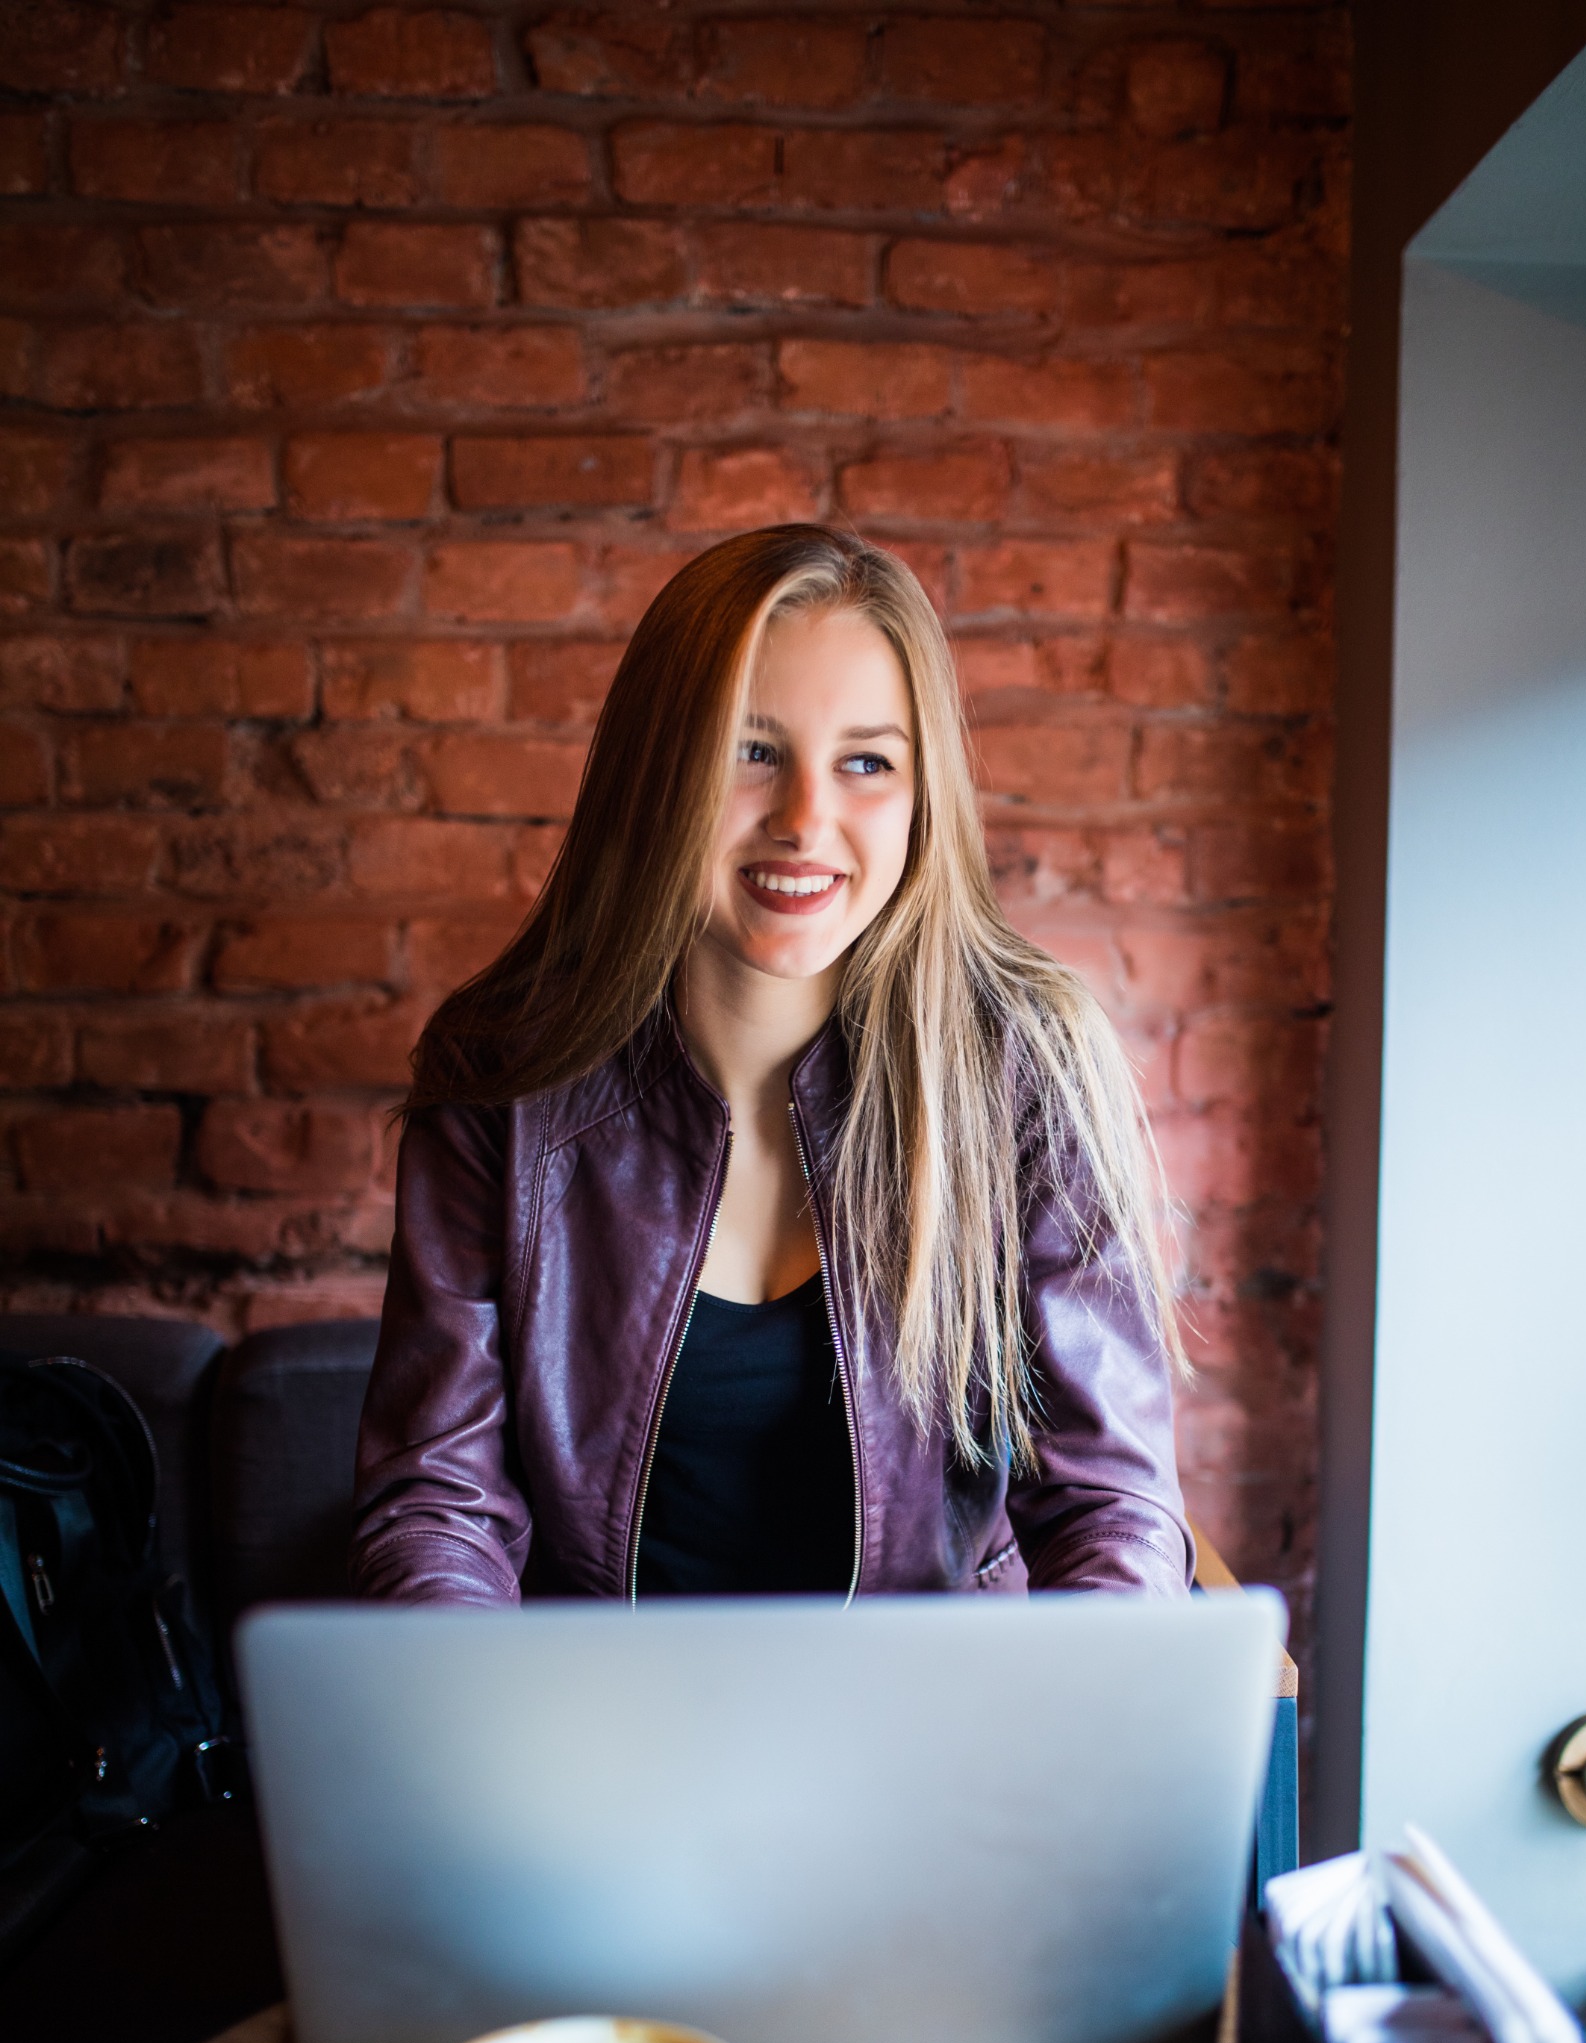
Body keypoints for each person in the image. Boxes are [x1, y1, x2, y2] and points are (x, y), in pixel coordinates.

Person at [350, 525, 1194, 1606]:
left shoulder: (1027, 1070)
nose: (806, 819)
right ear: (660, 770)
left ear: (922, 791)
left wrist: (1074, 1739)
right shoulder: (500, 1080)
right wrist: (470, 1740)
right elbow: (437, 1504)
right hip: (596, 1742)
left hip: (924, 1743)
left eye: (865, 763)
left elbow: (1109, 1509)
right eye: (752, 751)